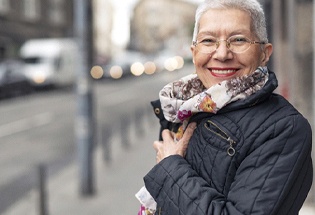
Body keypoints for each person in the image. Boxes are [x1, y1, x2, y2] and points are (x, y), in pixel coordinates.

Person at [136, 0, 313, 214]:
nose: (221, 54)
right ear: (194, 52)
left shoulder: (284, 128)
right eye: (208, 41)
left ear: (265, 53)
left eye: (238, 40)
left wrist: (170, 167)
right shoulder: (186, 107)